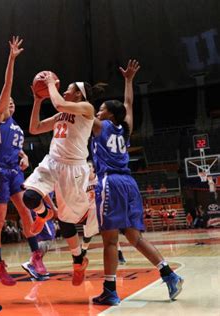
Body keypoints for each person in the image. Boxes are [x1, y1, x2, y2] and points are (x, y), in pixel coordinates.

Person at [90, 60, 183, 305]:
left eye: (101, 109)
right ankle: (169, 274)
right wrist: (128, 81)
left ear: (109, 114)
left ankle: (110, 290)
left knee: (110, 240)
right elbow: (128, 104)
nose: (98, 112)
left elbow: (80, 110)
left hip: (110, 181)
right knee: (135, 238)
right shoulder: (125, 128)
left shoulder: (101, 126)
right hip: (130, 184)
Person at [23, 71, 105, 286]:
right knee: (30, 197)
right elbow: (34, 128)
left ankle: (78, 259)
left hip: (73, 169)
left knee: (67, 220)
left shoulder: (87, 109)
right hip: (52, 162)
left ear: (79, 94)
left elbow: (59, 104)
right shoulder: (61, 114)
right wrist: (37, 101)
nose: (63, 89)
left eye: (69, 88)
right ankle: (44, 213)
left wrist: (49, 84)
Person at [0, 36, 46, 286]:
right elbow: (7, 84)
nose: (8, 103)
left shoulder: (18, 129)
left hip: (13, 172)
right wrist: (11, 58)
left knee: (26, 212)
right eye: (5, 101)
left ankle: (35, 255)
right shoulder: (0, 119)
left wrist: (25, 156)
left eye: (11, 103)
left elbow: (18, 151)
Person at [80, 161, 127, 265]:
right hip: (89, 211)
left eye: (89, 166)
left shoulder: (100, 179)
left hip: (102, 209)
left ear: (93, 168)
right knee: (87, 235)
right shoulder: (82, 182)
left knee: (111, 231)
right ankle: (83, 251)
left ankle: (119, 254)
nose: (87, 169)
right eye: (85, 167)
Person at [22, 192, 57, 280]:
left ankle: (32, 265)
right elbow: (43, 191)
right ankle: (31, 264)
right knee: (48, 238)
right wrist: (53, 207)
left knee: (48, 237)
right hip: (40, 209)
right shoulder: (46, 179)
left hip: (43, 208)